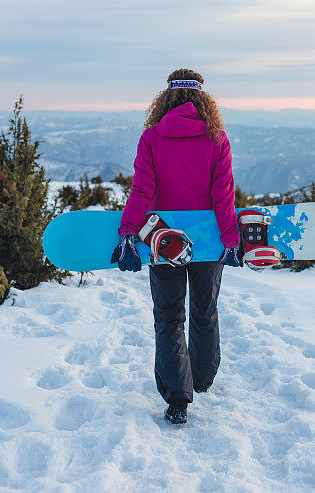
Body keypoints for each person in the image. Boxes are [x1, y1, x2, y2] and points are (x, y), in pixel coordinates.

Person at [111, 69, 242, 425]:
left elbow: (142, 191)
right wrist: (230, 240)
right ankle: (202, 377)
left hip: (162, 240)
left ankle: (178, 397)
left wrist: (128, 233)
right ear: (203, 100)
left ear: (165, 99)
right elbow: (223, 196)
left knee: (169, 315)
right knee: (205, 309)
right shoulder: (218, 138)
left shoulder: (151, 137)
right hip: (207, 240)